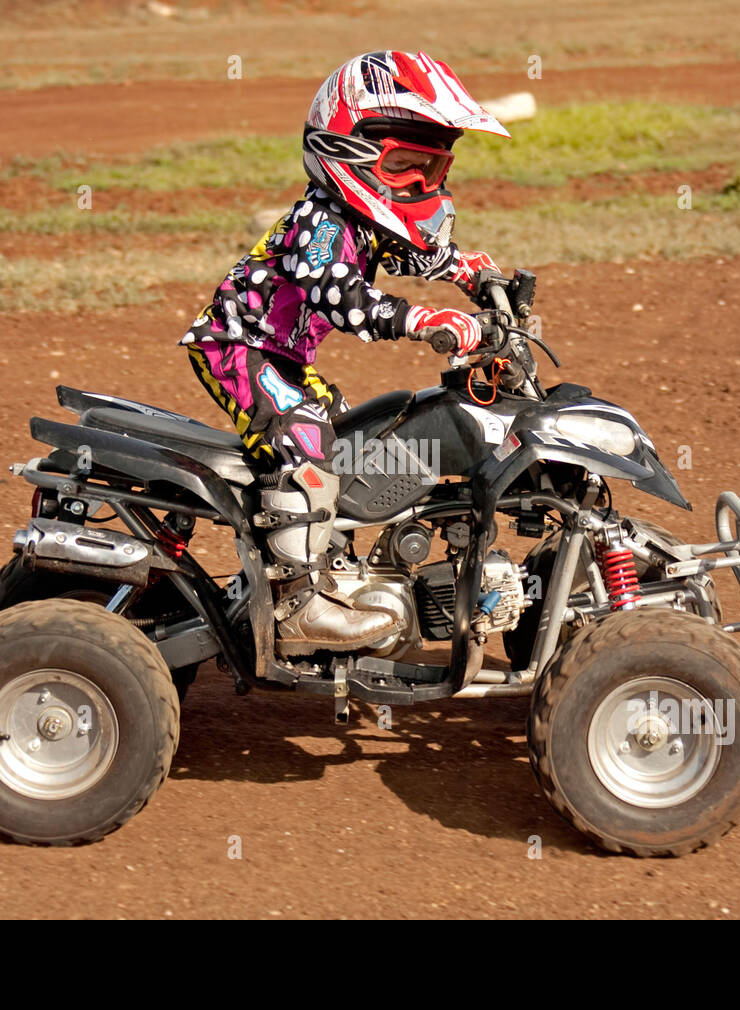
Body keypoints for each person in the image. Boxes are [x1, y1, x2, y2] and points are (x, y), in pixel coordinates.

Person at [181, 50, 508, 654]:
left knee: (354, 439)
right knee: (304, 439)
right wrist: (421, 319)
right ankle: (299, 603)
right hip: (238, 347)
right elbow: (339, 296)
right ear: (347, 153)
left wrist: (474, 274)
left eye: (431, 170)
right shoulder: (323, 221)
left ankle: (330, 568)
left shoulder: (363, 219)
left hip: (282, 358)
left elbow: (421, 254)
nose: (418, 184)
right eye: (405, 165)